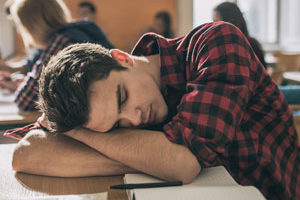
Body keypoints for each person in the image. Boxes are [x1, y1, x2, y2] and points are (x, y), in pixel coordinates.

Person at [7, 22, 299, 200]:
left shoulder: (217, 42)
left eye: (122, 98)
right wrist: (148, 156)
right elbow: (26, 154)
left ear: (122, 58)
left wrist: (82, 136)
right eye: (115, 124)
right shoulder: (103, 112)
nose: (134, 119)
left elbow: (182, 164)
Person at [0, 0, 113, 111]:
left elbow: (24, 100)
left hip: (100, 113)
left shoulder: (61, 41)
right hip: (109, 102)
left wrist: (19, 87)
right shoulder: (82, 29)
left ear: (31, 26)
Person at [213, 2, 267, 68]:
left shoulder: (251, 46)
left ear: (230, 23)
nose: (213, 26)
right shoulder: (253, 43)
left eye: (217, 22)